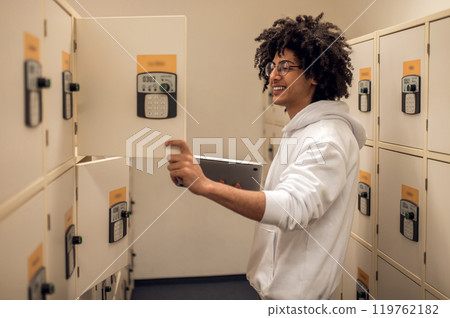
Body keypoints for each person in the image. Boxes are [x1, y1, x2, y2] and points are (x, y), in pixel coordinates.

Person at [165, 13, 366, 299]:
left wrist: (206, 186)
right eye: (272, 66)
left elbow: (291, 208)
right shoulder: (302, 129)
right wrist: (206, 174)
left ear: (315, 74)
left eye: (285, 67)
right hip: (280, 289)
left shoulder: (327, 139)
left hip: (298, 298)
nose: (273, 75)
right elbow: (288, 194)